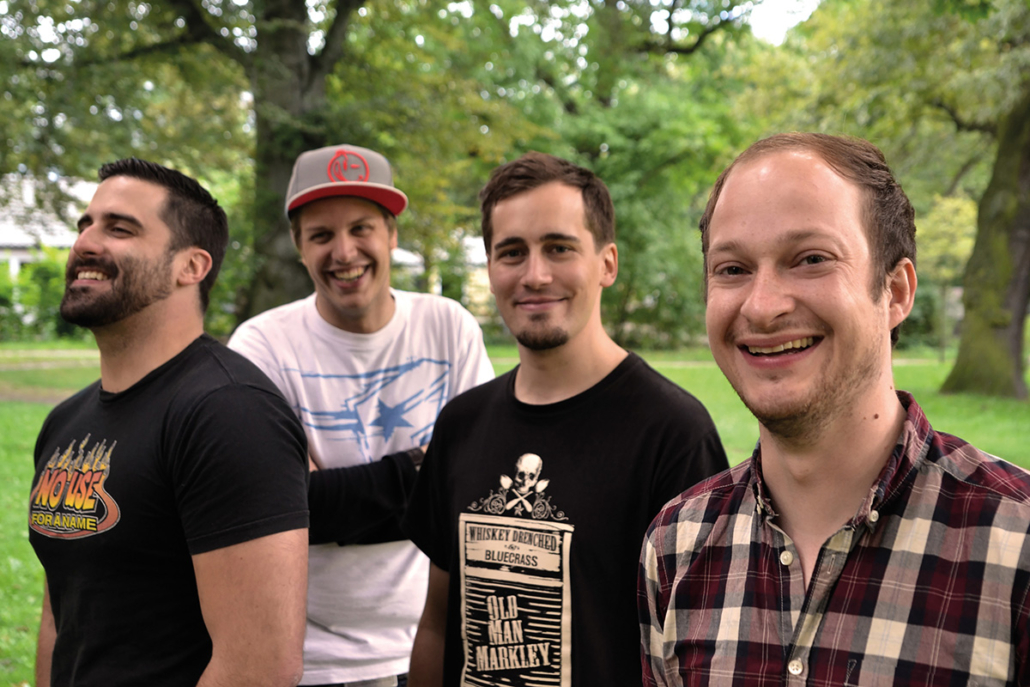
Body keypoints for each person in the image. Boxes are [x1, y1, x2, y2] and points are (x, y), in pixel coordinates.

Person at [640, 132, 1030, 686]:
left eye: (811, 260)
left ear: (896, 292)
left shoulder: (1016, 543)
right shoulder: (676, 546)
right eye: (732, 269)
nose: (763, 306)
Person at [403, 151, 728, 687]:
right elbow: (438, 624)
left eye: (559, 248)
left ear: (607, 263)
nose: (535, 275)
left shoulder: (672, 434)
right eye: (512, 252)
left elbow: (700, 654)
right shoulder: (461, 424)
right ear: (491, 269)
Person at [28, 159, 310, 687]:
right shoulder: (66, 422)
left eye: (119, 229)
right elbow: (60, 617)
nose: (85, 243)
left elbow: (260, 666)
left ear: (191, 266)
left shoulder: (229, 413)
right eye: (85, 225)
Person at [228, 143, 494, 686]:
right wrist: (422, 472)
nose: (344, 252)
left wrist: (338, 499)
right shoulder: (262, 346)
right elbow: (286, 510)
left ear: (391, 235)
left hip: (436, 644)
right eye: (321, 235)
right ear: (300, 247)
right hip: (311, 659)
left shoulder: (448, 327)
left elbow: (476, 489)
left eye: (361, 228)